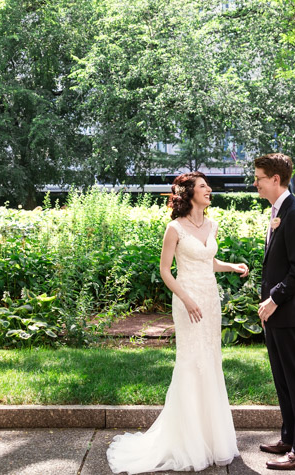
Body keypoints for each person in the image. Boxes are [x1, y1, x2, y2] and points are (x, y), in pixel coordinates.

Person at [107, 171, 248, 474]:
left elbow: (207, 261)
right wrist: (186, 298)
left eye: (208, 186)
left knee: (210, 361)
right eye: (203, 186)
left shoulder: (212, 224)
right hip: (187, 301)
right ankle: (187, 442)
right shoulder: (174, 228)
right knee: (191, 362)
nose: (209, 189)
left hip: (210, 300)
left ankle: (212, 440)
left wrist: (230, 266)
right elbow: (166, 271)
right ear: (189, 194)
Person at [253, 153, 295, 471]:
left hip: (290, 312)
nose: (255, 183)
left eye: (259, 178)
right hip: (276, 313)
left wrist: (274, 298)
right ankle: (290, 438)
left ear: (275, 179)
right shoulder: (278, 211)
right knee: (282, 381)